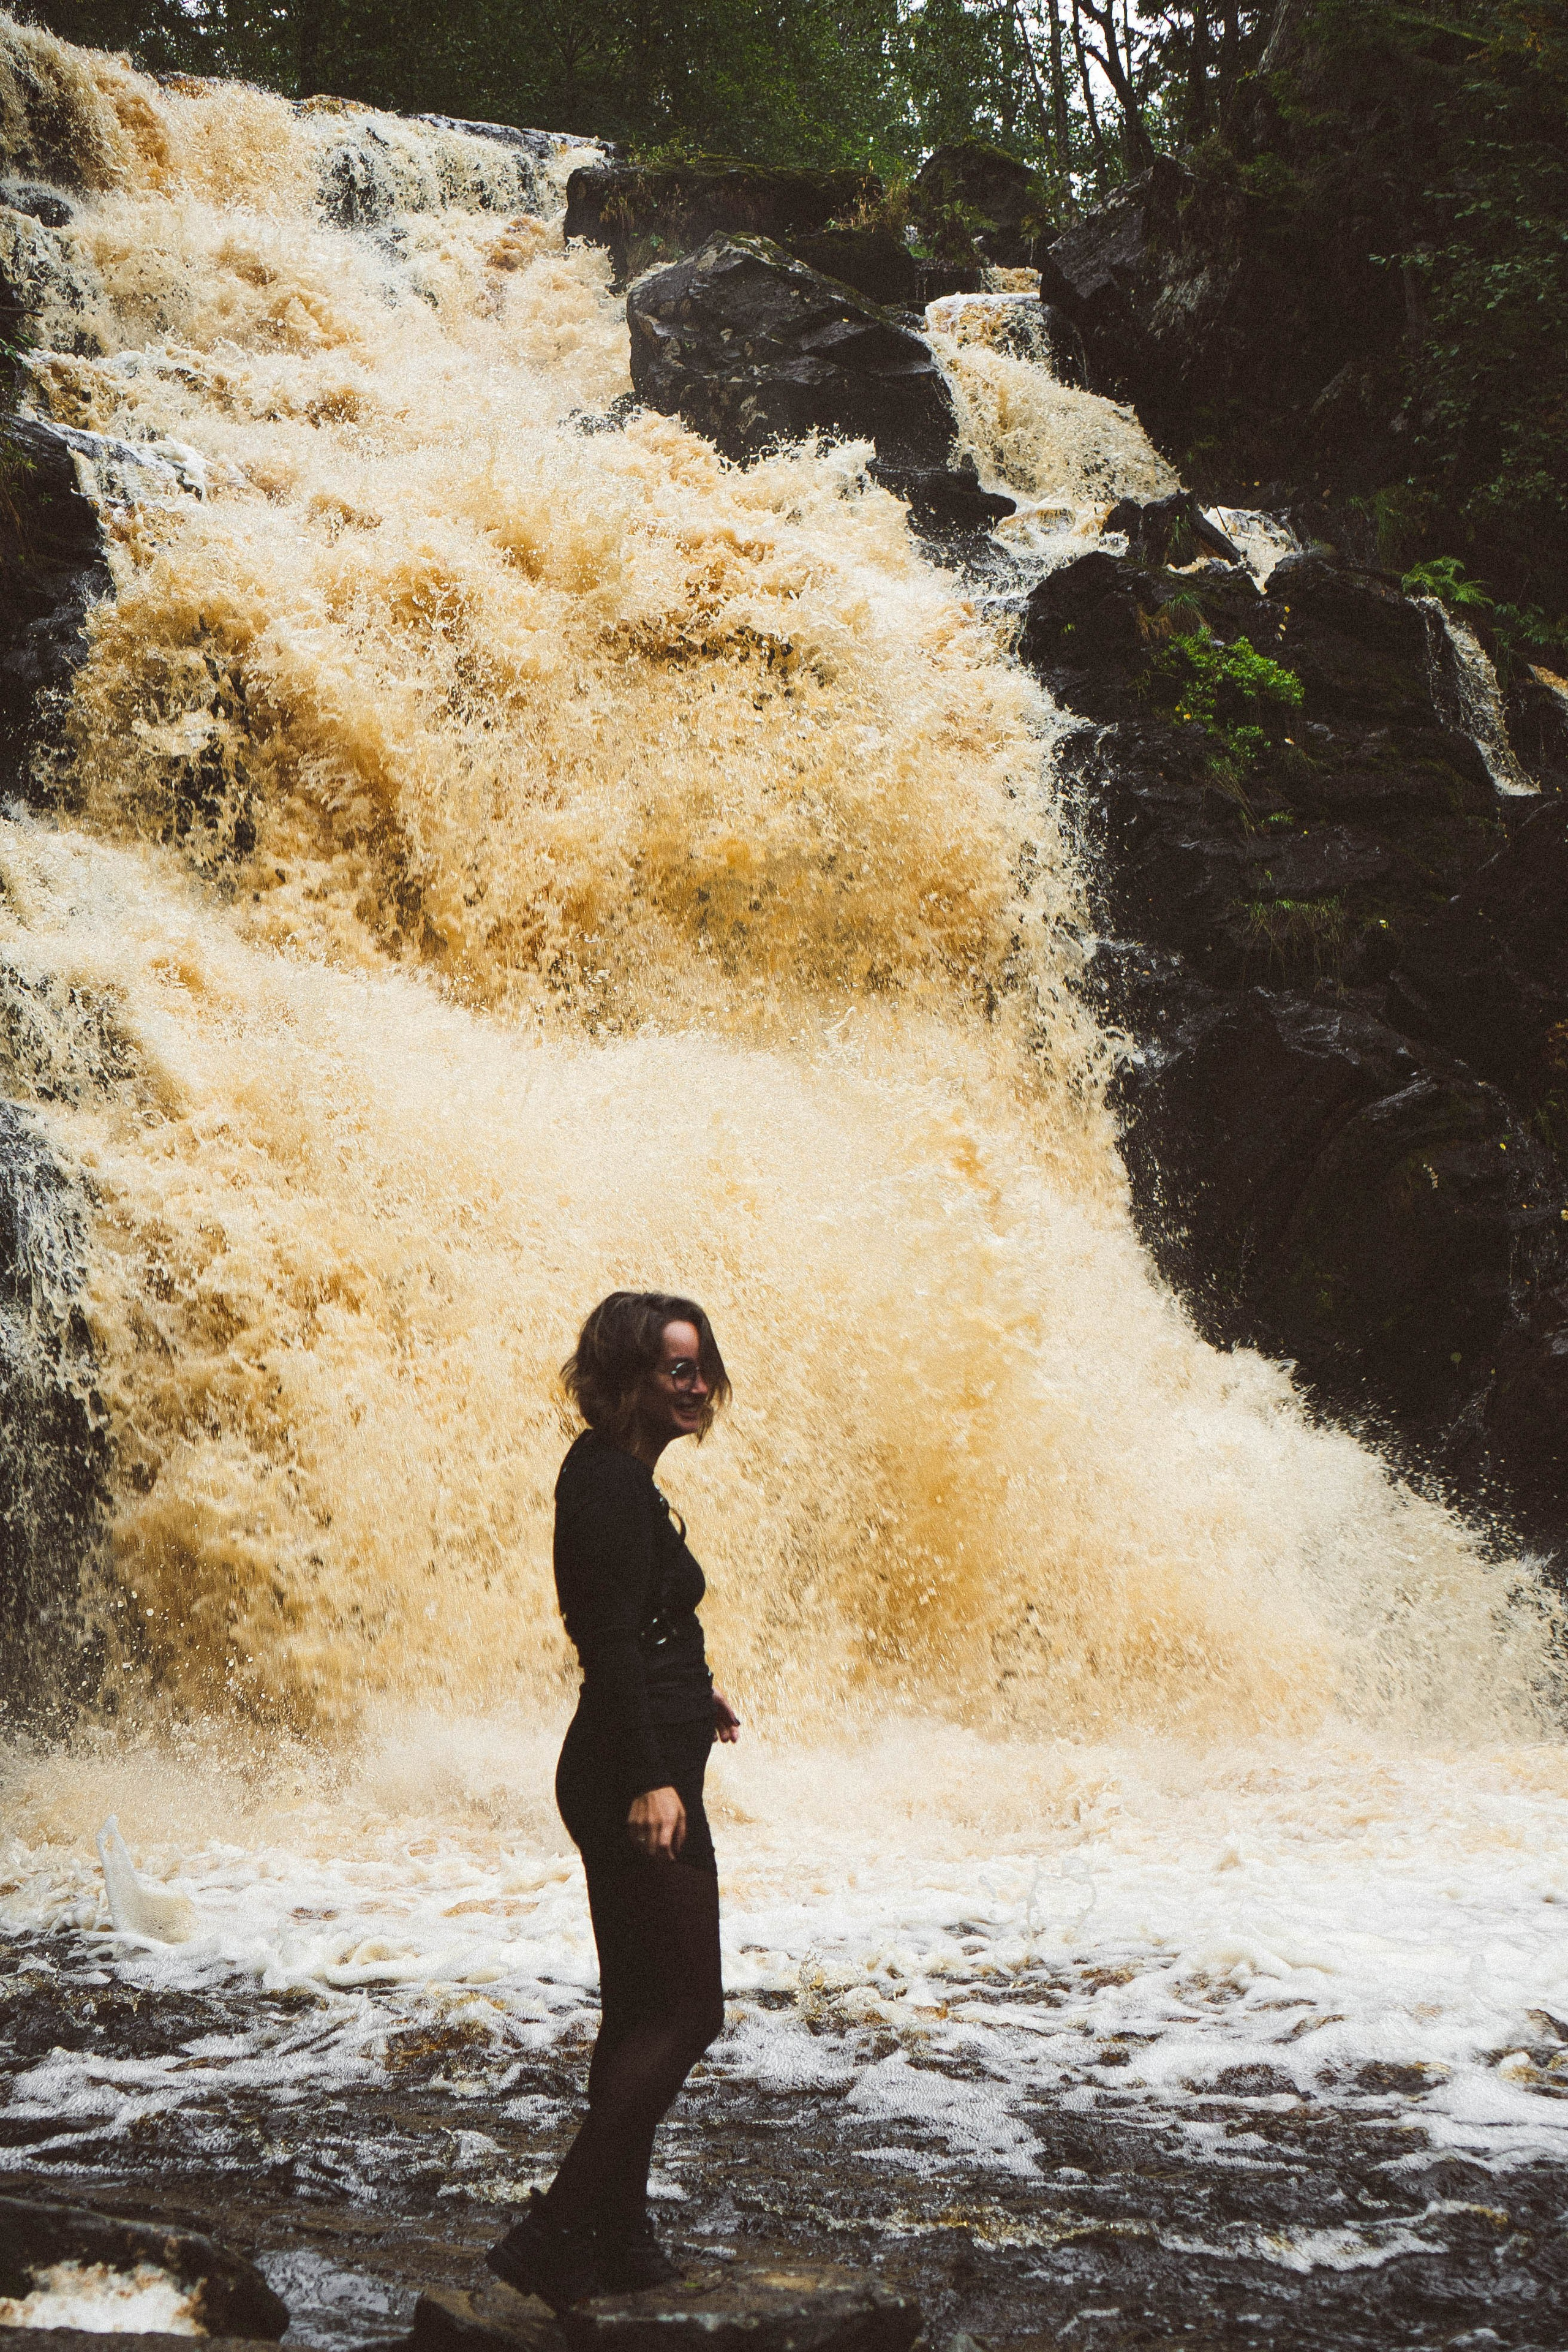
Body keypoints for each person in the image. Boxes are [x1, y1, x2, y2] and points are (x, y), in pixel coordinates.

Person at [486, 1291, 740, 2311]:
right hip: (631, 1777)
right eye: (675, 1368)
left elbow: (642, 1620)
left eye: (699, 1367)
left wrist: (697, 1681)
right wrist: (650, 1777)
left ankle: (619, 2233)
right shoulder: (602, 1485)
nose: (695, 1385)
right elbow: (605, 1643)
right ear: (625, 1378)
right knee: (689, 2009)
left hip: (650, 1758)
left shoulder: (624, 1482)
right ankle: (557, 2231)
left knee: (640, 2006)